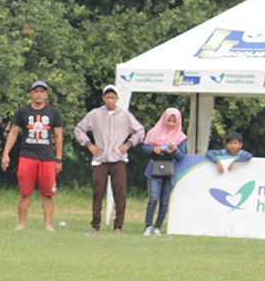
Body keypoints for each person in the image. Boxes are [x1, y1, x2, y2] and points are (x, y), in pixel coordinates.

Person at [73, 84, 144, 234]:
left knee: (120, 193)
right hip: (100, 159)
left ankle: (118, 226)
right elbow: (79, 129)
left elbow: (140, 131)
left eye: (113, 97)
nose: (110, 100)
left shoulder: (125, 115)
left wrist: (129, 144)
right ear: (103, 98)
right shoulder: (95, 114)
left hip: (118, 159)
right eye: (107, 97)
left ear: (117, 98)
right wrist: (89, 144)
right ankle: (95, 224)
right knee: (97, 193)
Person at [0, 80, 64, 231]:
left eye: (42, 92)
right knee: (25, 191)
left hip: (47, 157)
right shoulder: (23, 112)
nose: (38, 94)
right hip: (27, 155)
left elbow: (58, 136)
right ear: (31, 94)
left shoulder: (53, 112)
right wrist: (5, 154)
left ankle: (48, 224)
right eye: (36, 91)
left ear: (46, 95)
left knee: (48, 192)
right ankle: (21, 223)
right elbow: (14, 133)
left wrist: (59, 159)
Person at [141, 108, 187, 236]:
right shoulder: (153, 132)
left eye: (174, 122)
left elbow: (181, 156)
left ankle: (158, 227)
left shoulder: (181, 137)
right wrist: (153, 149)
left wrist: (174, 150)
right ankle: (148, 226)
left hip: (169, 170)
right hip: (154, 168)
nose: (171, 124)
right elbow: (144, 147)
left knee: (165, 200)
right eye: (169, 121)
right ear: (164, 119)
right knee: (153, 198)